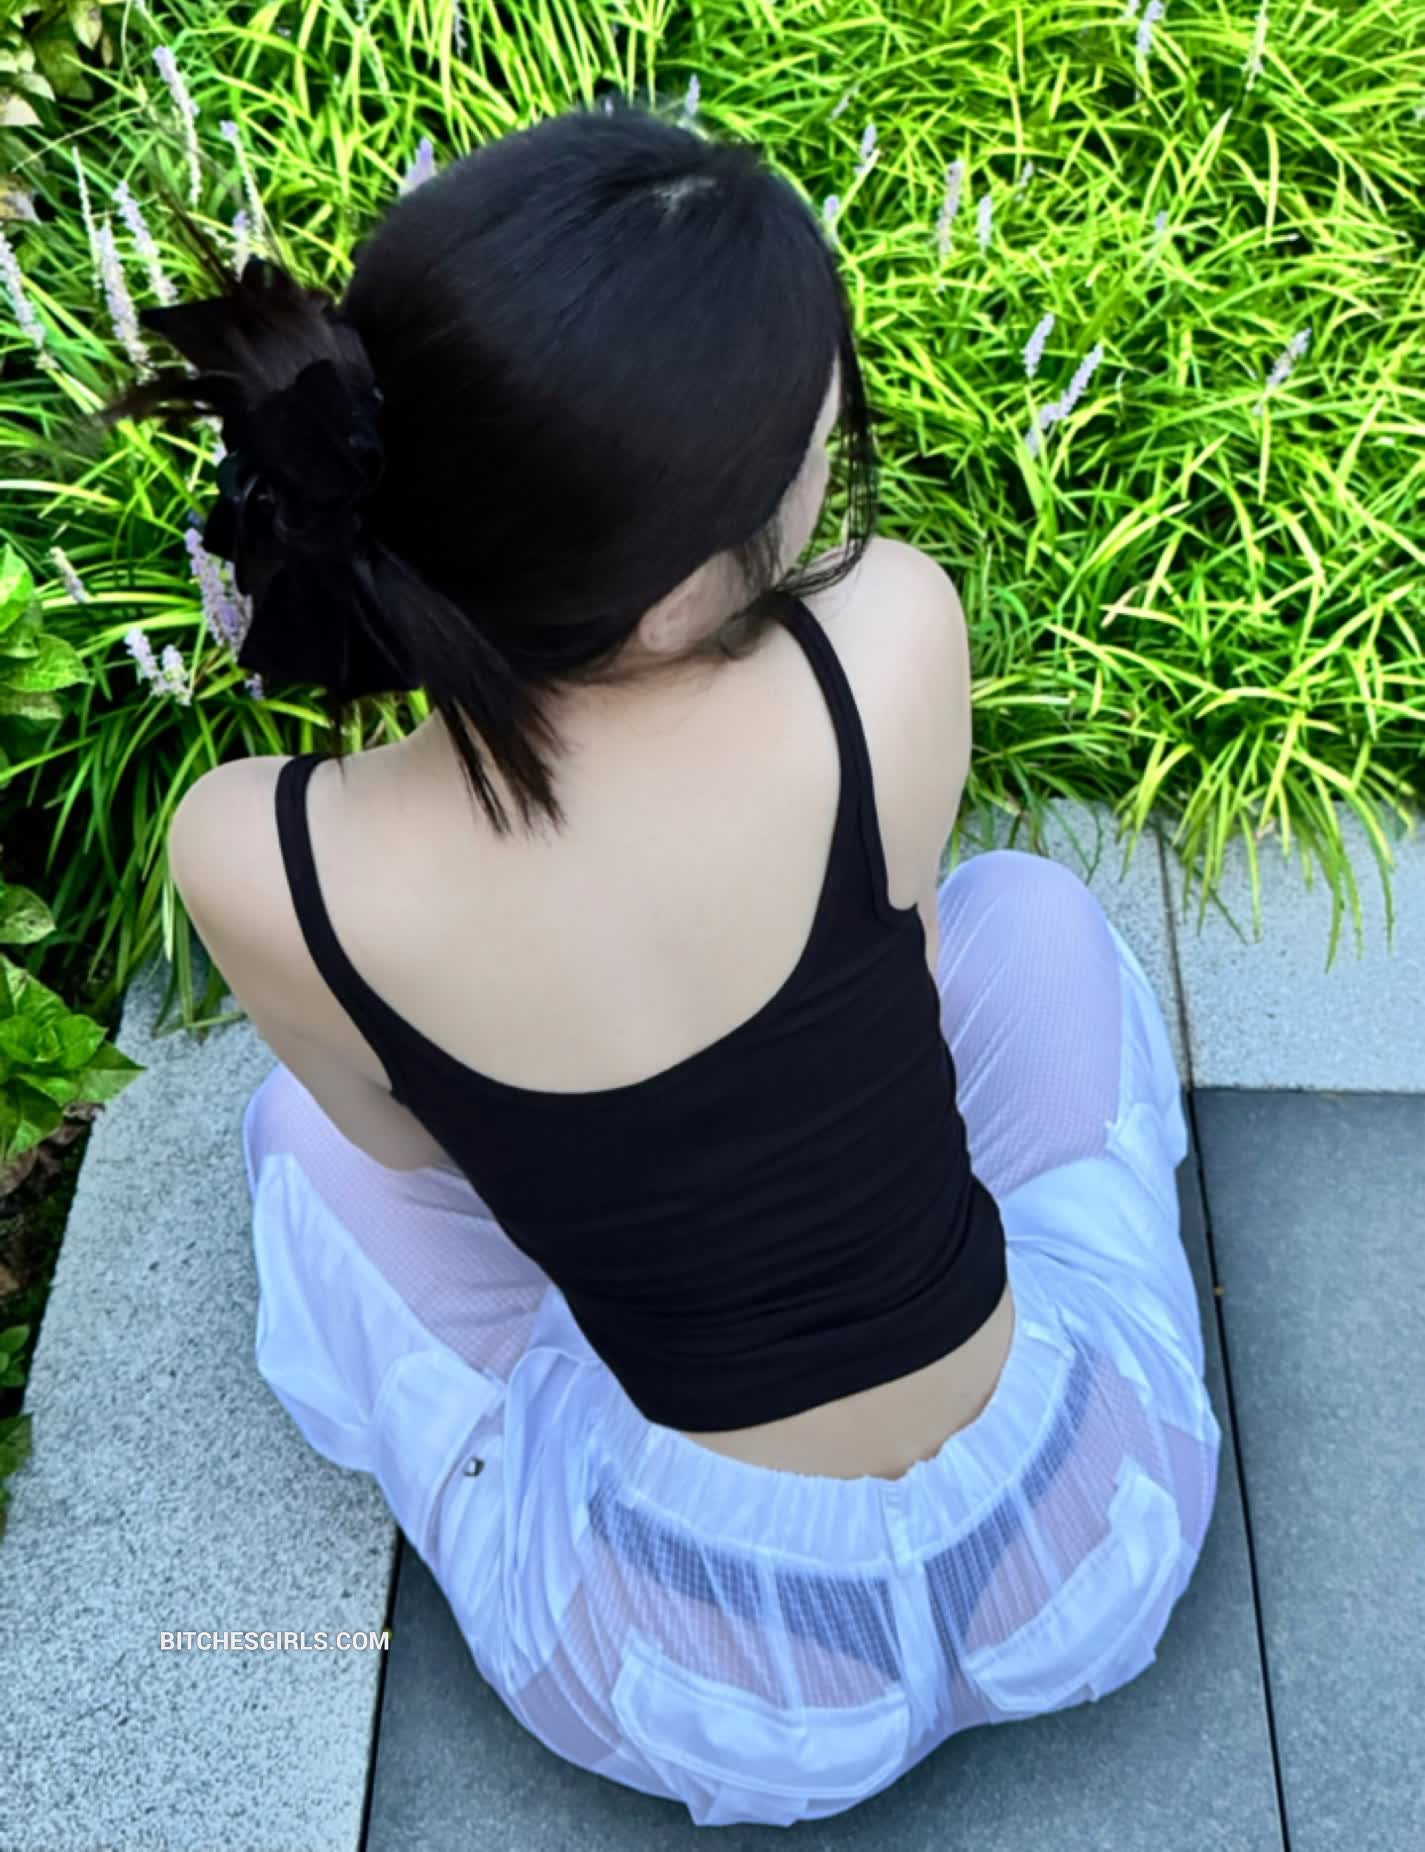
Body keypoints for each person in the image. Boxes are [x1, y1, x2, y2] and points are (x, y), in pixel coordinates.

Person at [103, 101, 1221, 1829]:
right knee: (1024, 914)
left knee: (304, 1139)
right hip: (1084, 1529)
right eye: (810, 445)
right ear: (681, 582)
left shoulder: (265, 851)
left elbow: (419, 1158)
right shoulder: (881, 638)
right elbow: (919, 971)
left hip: (699, 1671)